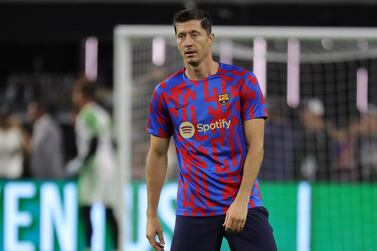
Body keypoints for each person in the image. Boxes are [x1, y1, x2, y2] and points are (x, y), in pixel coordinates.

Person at [146, 8, 277, 251]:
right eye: (181, 36)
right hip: (194, 209)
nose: (188, 42)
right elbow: (157, 153)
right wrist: (151, 214)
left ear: (210, 38)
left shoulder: (241, 82)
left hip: (242, 204)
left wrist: (242, 200)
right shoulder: (165, 93)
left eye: (194, 34)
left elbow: (256, 145)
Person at [66, 77, 119, 251]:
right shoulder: (103, 113)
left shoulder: (85, 114)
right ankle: (118, 247)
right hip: (110, 165)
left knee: (86, 208)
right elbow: (113, 142)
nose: (74, 97)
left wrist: (77, 165)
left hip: (94, 168)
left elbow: (93, 142)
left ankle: (89, 247)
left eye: (76, 92)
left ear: (83, 94)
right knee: (109, 209)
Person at [27, 100, 65, 179]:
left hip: (48, 171)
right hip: (49, 169)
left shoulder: (44, 123)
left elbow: (34, 147)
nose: (29, 113)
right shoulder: (46, 122)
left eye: (31, 110)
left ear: (39, 110)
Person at [0, 104, 29, 179]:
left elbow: (28, 149)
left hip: (14, 175)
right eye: (2, 117)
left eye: (5, 117)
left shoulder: (16, 132)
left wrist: (20, 128)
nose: (3, 120)